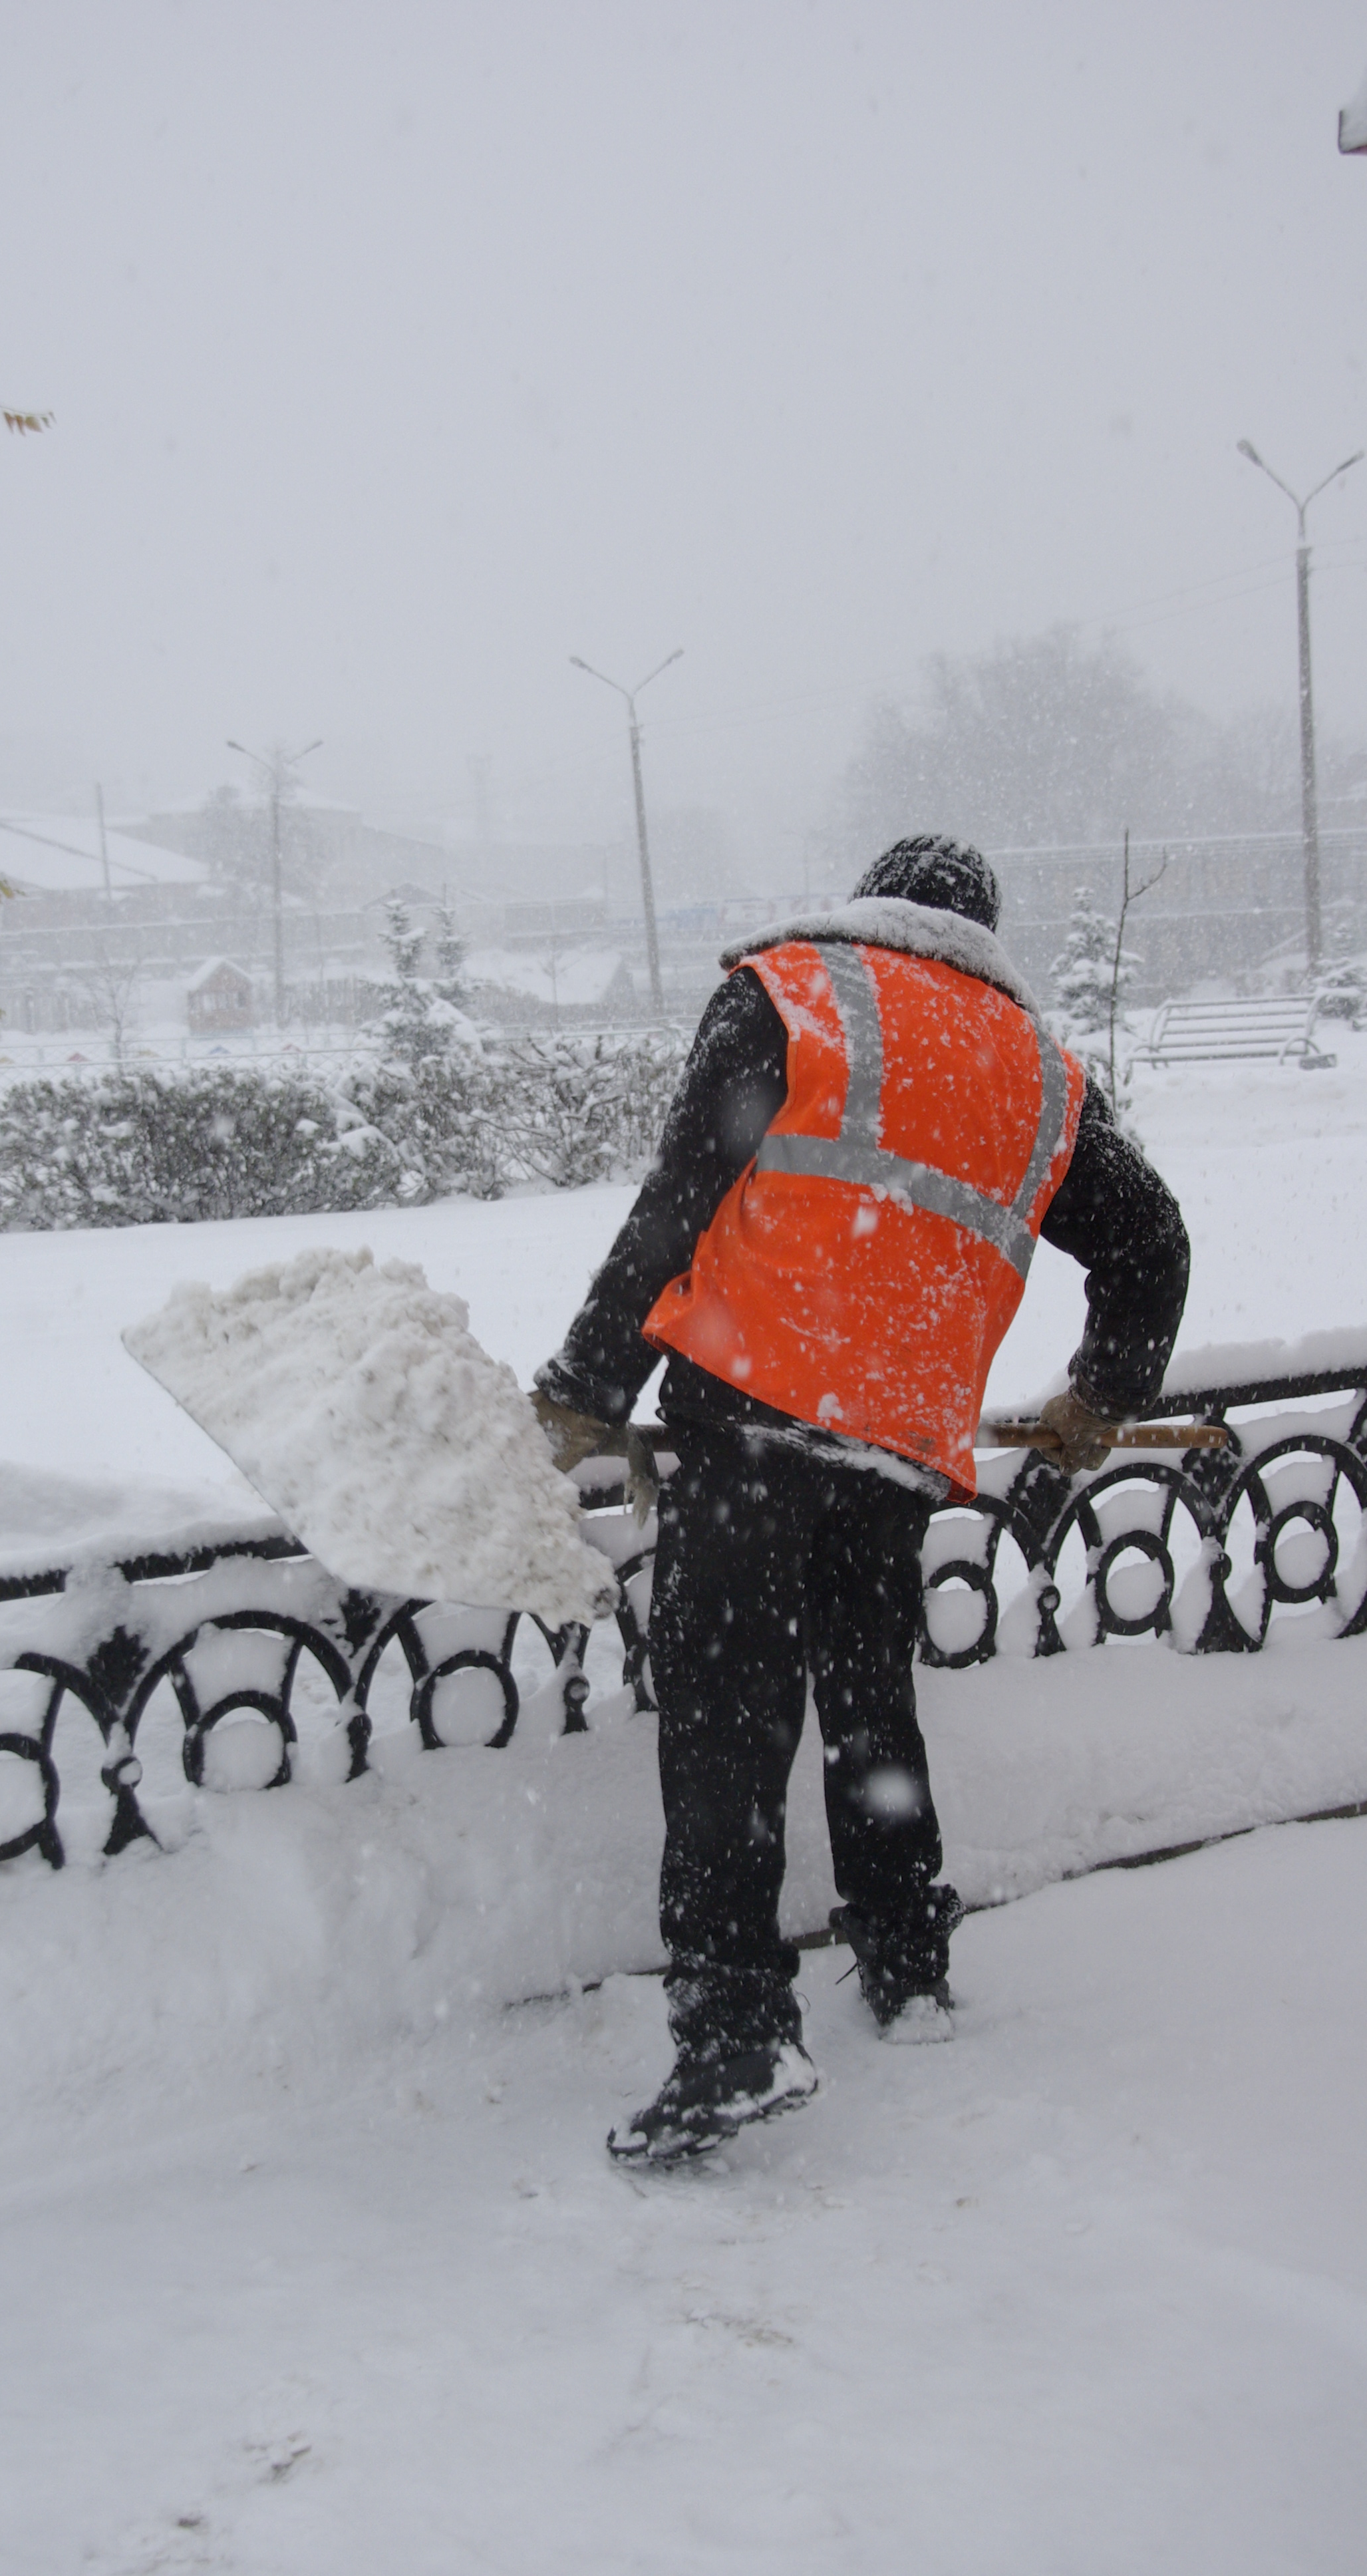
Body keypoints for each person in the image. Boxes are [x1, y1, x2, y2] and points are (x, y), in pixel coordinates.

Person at [531, 834, 1189, 2164]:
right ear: (980, 929)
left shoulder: (797, 990)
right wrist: (1100, 1397)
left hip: (753, 1422)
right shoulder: (1043, 1076)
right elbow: (1153, 1242)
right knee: (870, 1710)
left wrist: (588, 1381)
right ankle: (907, 1965)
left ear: (877, 897)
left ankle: (732, 2036)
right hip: (898, 1452)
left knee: (728, 1729)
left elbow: (681, 1199)